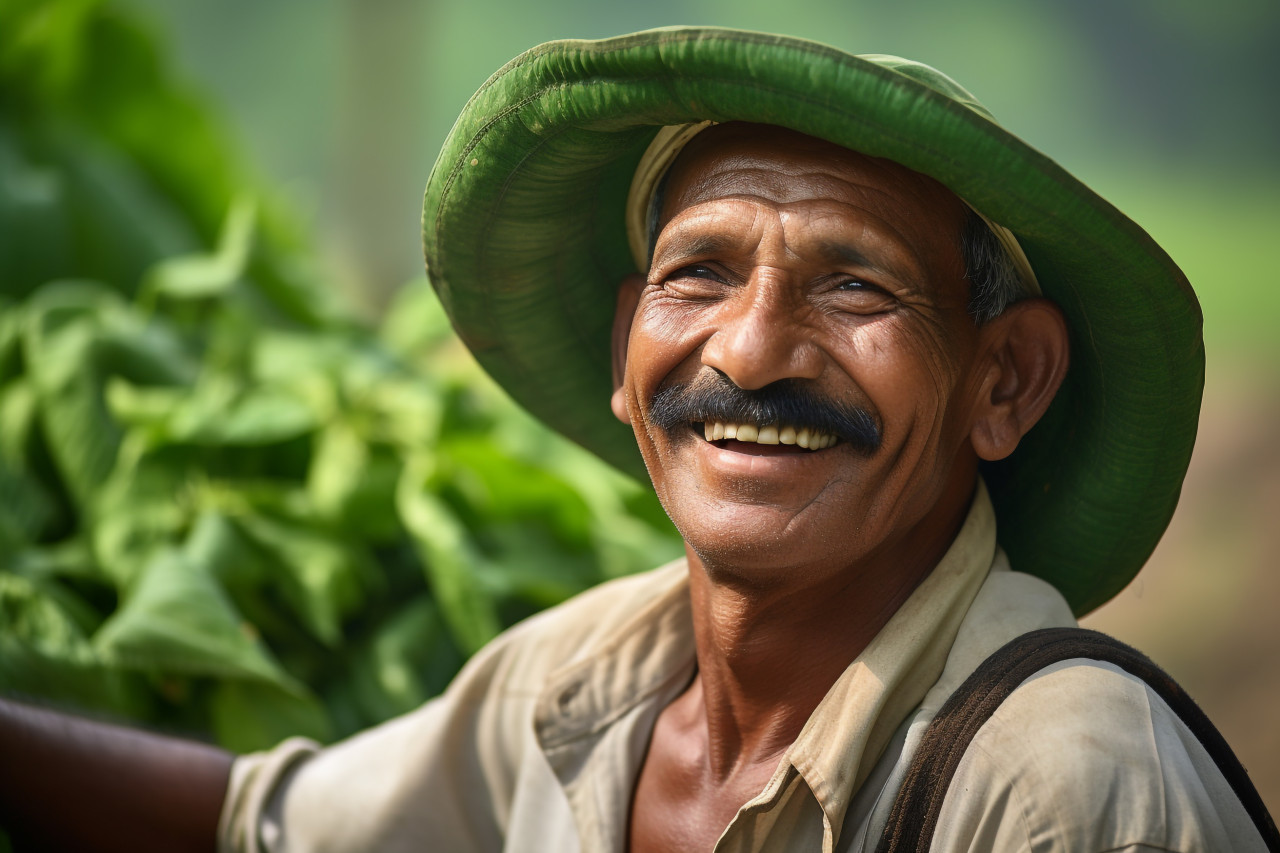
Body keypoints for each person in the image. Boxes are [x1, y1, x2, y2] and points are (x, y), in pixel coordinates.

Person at [0, 27, 1271, 852]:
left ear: (1004, 380)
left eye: (855, 288)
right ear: (626, 352)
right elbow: (261, 826)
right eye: (697, 273)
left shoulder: (1063, 788)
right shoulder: (583, 689)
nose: (751, 350)